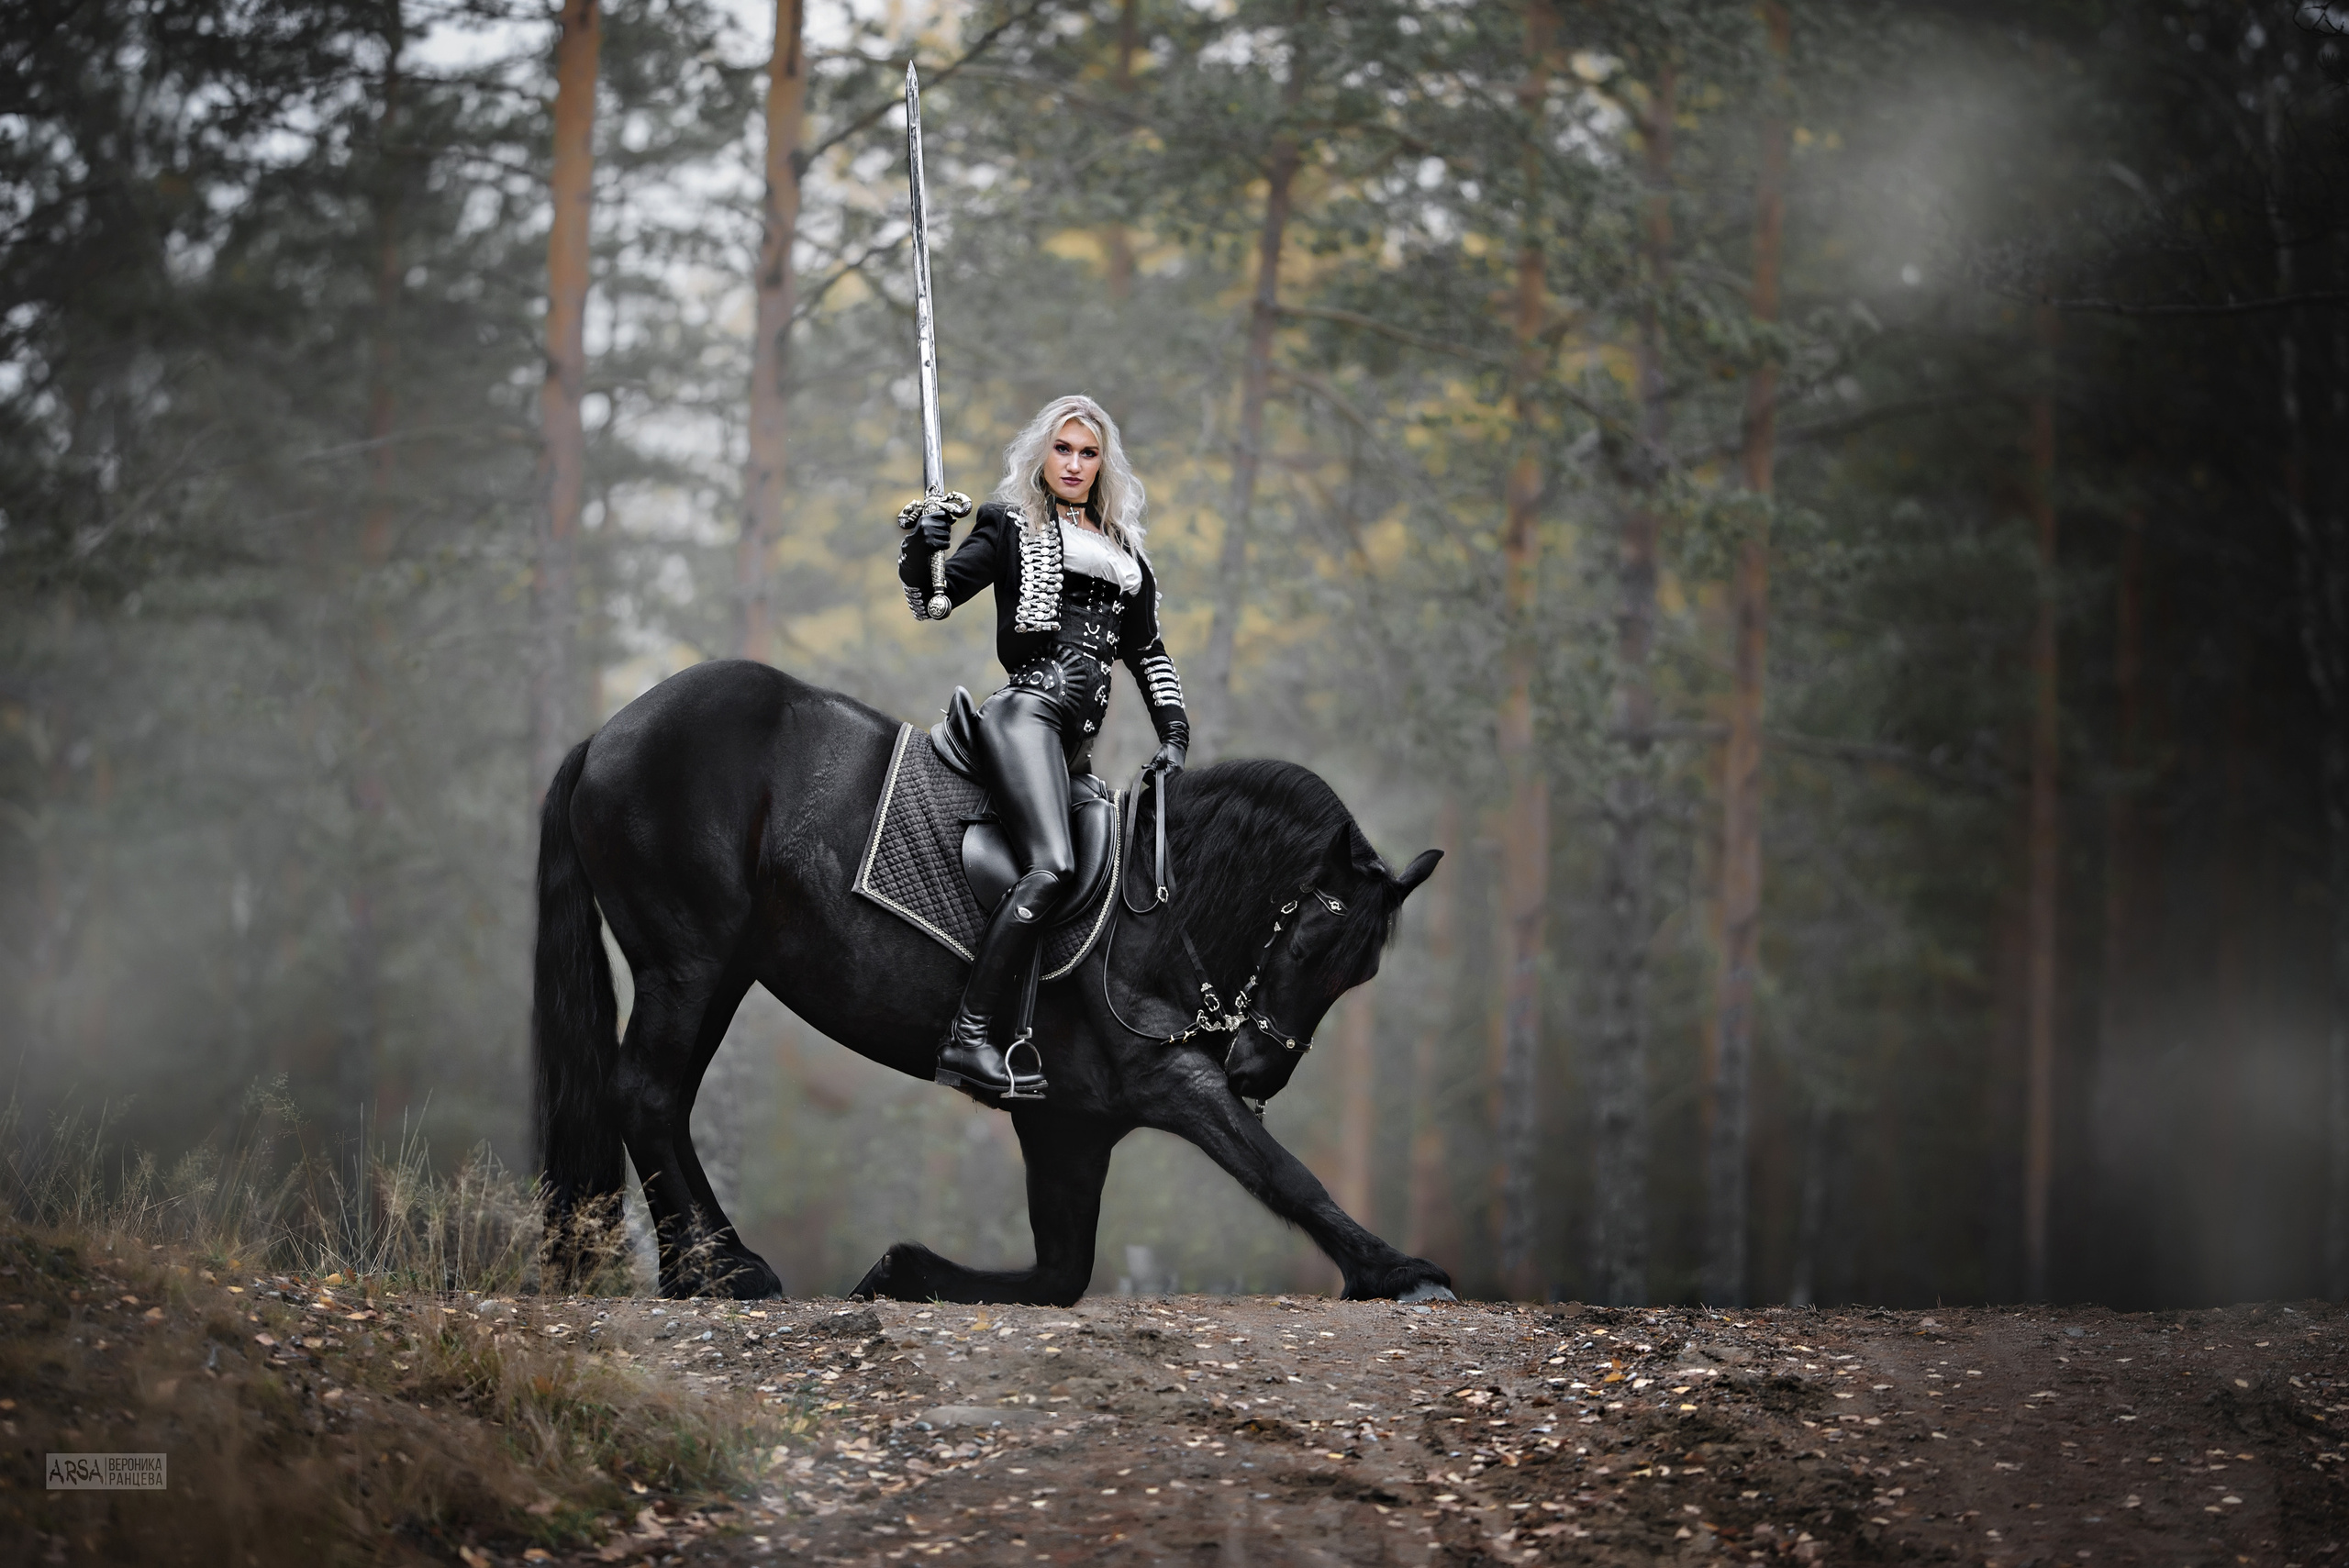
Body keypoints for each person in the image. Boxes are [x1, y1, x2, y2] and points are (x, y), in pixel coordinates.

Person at [896, 394, 1190, 1099]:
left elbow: (1148, 652)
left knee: (1113, 874)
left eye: (1088, 452)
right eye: (1064, 448)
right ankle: (970, 1037)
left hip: (1073, 747)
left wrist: (1176, 735)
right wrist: (923, 541)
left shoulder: (1125, 551)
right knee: (1052, 865)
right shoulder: (1009, 525)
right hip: (1026, 713)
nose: (1075, 463)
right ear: (1043, 454)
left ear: (1103, 464)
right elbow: (935, 598)